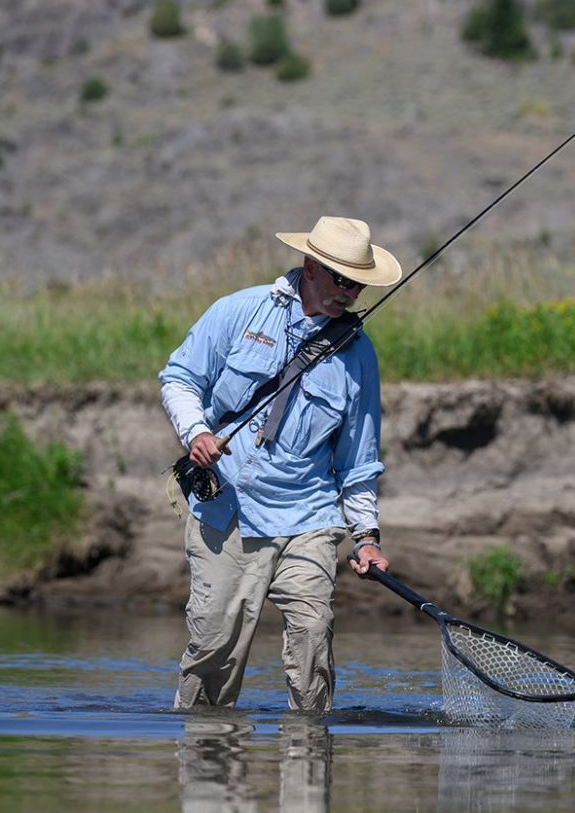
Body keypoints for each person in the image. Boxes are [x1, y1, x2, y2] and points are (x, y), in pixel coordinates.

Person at [159, 216, 401, 712]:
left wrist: (367, 538)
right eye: (341, 279)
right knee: (213, 652)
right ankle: (206, 762)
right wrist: (197, 433)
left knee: (313, 639)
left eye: (359, 284)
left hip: (309, 517)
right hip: (227, 509)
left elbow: (358, 461)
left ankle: (310, 762)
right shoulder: (239, 311)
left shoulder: (358, 355)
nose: (350, 292)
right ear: (310, 266)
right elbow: (179, 377)